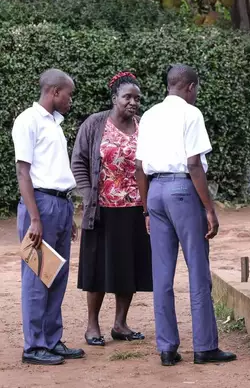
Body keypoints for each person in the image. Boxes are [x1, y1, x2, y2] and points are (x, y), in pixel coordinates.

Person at [134, 64, 236, 366]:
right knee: (197, 270)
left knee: (162, 275)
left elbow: (139, 168)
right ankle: (204, 346)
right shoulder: (191, 114)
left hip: (155, 192)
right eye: (197, 89)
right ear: (190, 87)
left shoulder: (149, 115)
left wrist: (145, 210)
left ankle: (167, 348)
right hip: (182, 191)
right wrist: (209, 208)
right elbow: (193, 164)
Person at [71, 71, 152, 347]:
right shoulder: (95, 124)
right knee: (96, 268)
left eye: (137, 98)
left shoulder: (143, 126)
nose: (133, 102)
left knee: (128, 267)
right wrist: (86, 193)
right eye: (127, 97)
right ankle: (92, 325)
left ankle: (120, 323)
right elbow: (79, 161)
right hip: (102, 209)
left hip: (135, 208)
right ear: (114, 98)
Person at [12, 69, 85, 365]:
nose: (70, 100)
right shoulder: (28, 121)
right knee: (36, 277)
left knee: (56, 275)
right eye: (68, 95)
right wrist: (35, 218)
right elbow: (22, 172)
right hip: (40, 205)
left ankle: (52, 340)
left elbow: (56, 170)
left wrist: (69, 214)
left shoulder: (55, 123)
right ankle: (34, 346)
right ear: (54, 92)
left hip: (60, 205)